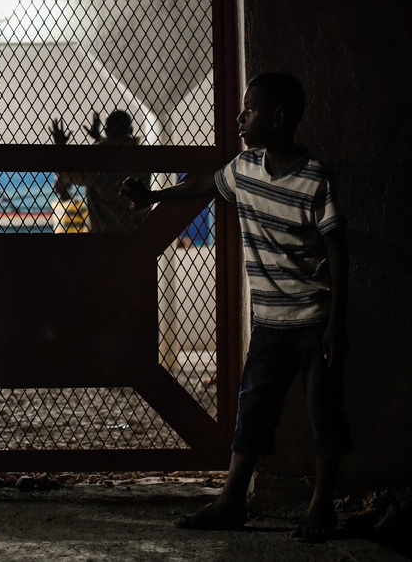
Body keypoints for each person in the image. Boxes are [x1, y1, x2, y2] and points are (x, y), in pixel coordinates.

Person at [121, 72, 351, 543]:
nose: (240, 118)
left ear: (279, 117)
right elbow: (205, 183)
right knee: (253, 410)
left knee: (322, 411)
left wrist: (336, 325)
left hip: (312, 323)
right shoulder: (245, 168)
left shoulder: (315, 181)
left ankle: (321, 506)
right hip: (270, 325)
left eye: (250, 110)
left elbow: (338, 253)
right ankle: (231, 501)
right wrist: (152, 197)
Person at [50, 110, 148, 233]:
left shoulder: (100, 163)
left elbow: (67, 173)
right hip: (138, 234)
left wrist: (60, 146)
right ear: (131, 130)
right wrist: (100, 139)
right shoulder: (141, 158)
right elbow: (119, 150)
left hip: (105, 236)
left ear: (106, 131)